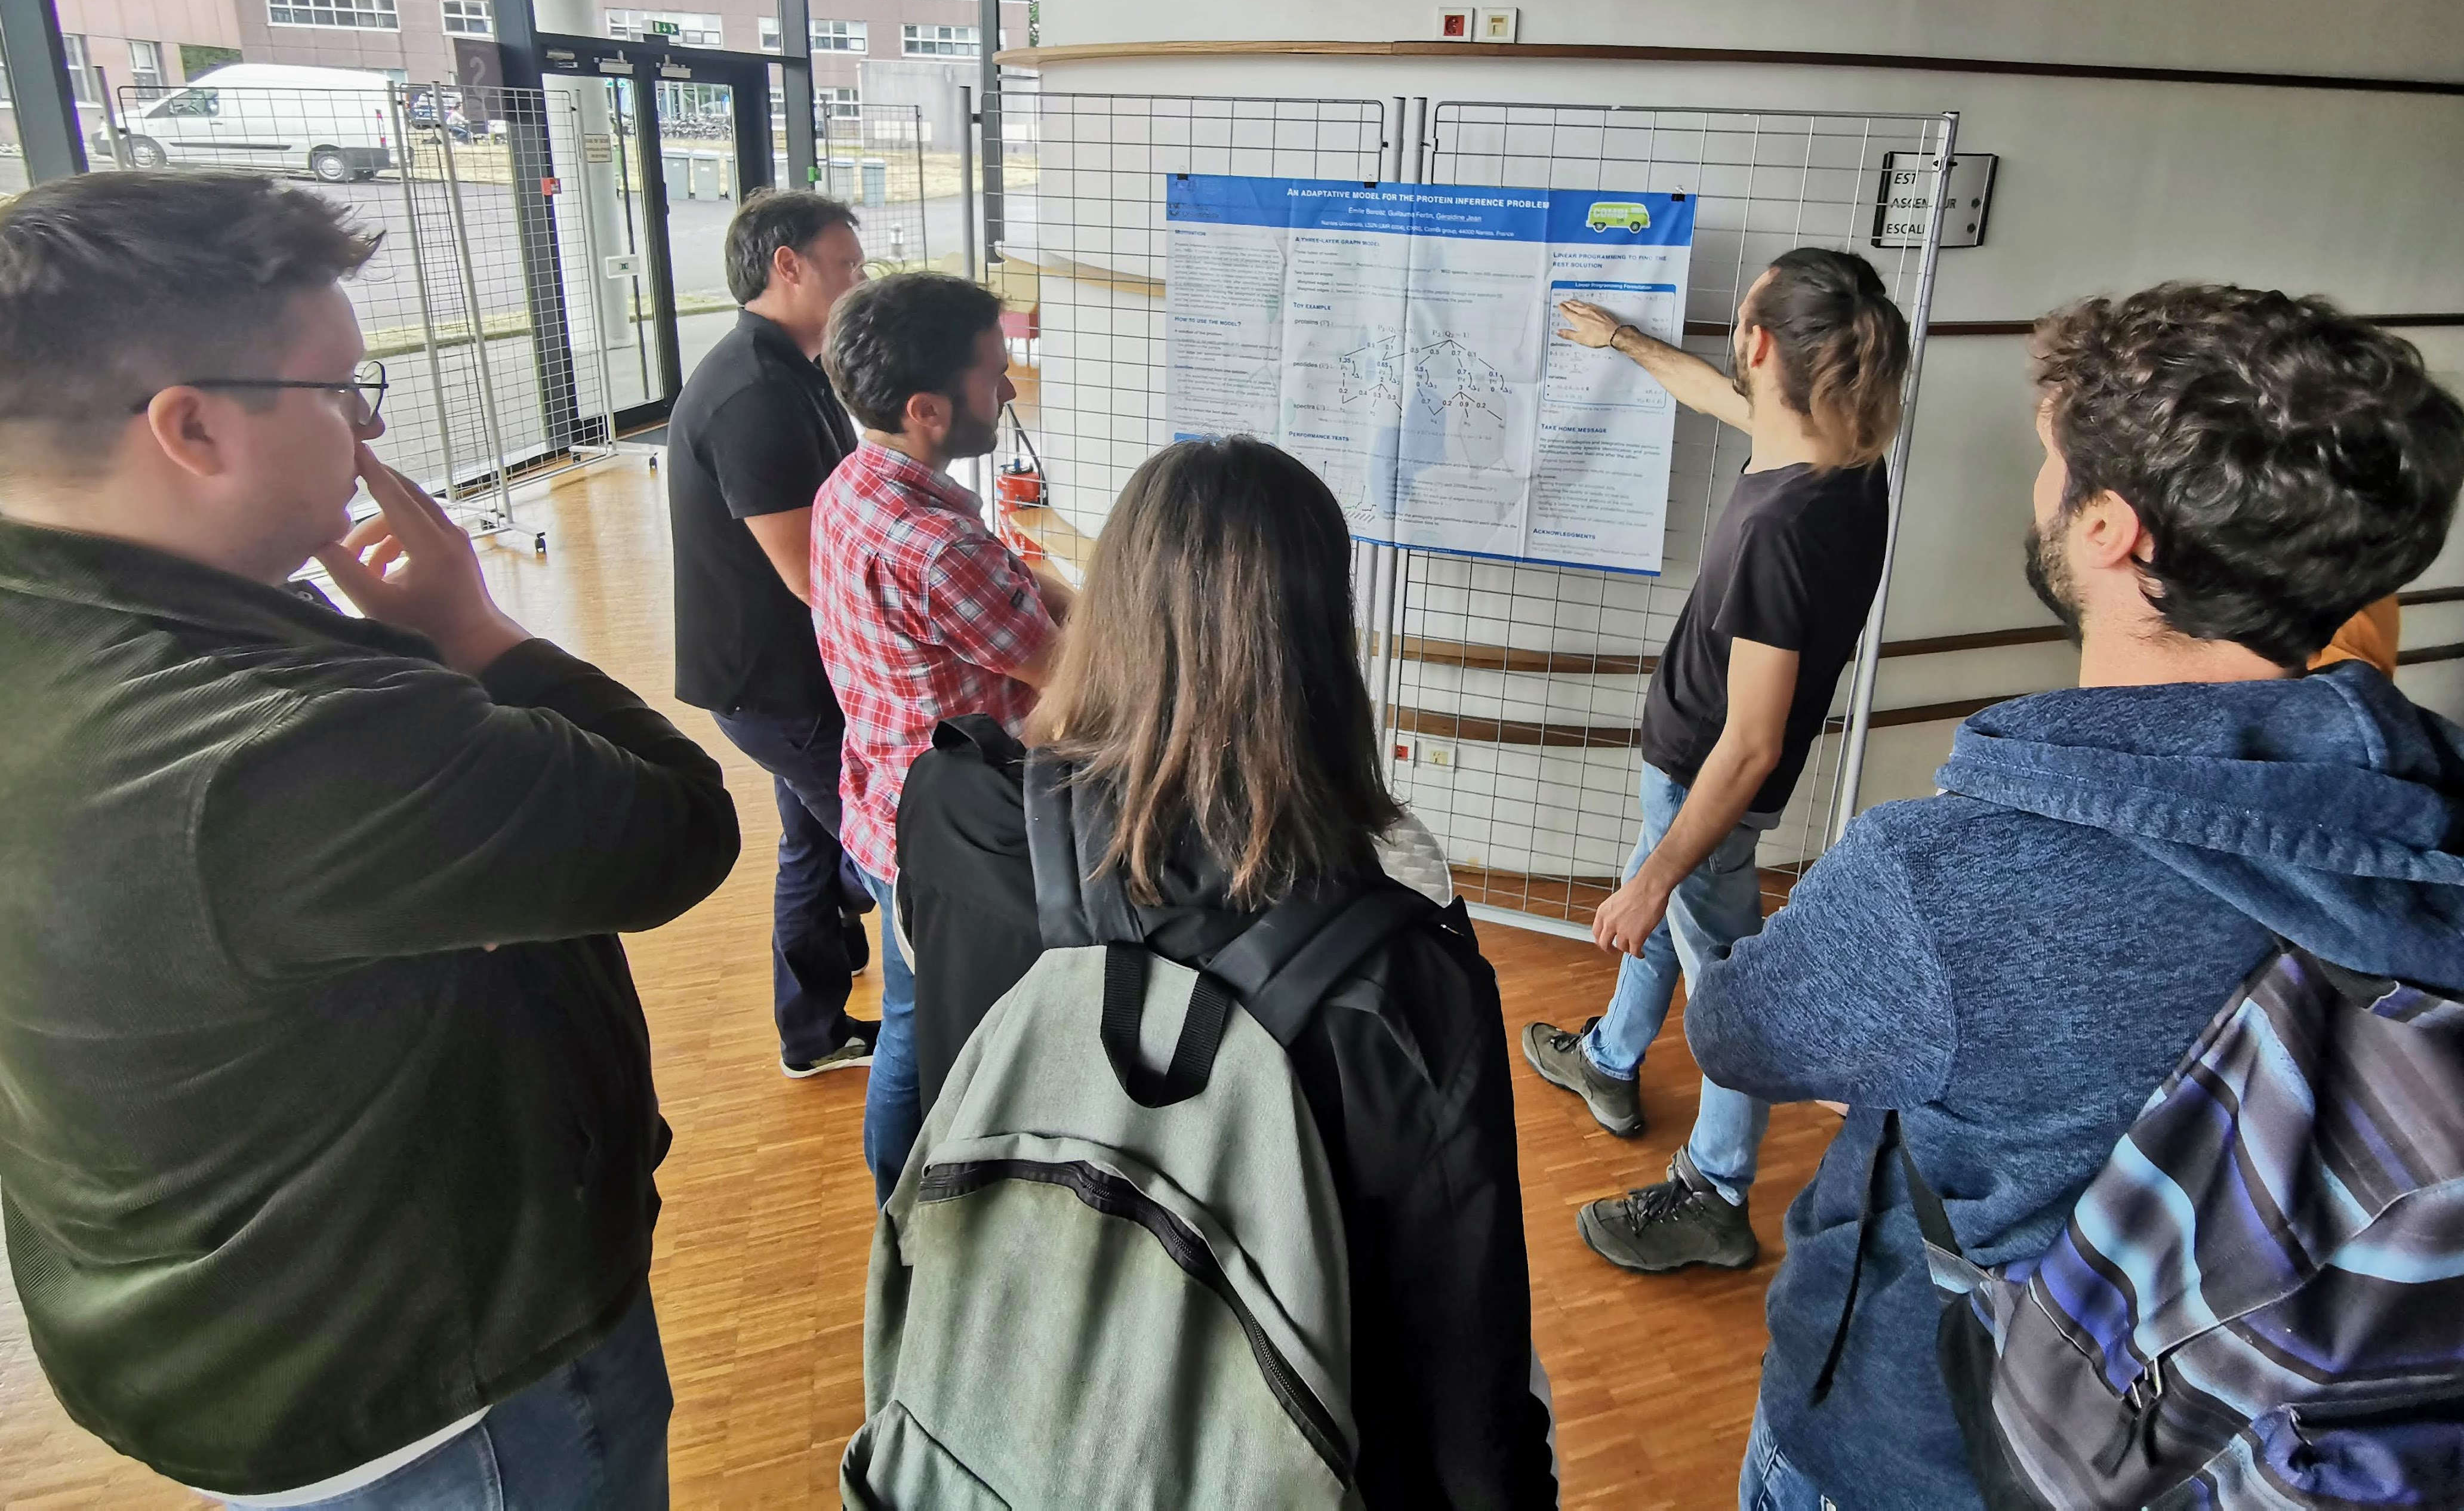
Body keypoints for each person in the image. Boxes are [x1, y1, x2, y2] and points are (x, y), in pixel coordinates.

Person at [0, 171, 741, 1506]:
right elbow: (679, 825)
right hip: (434, 1383)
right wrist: (473, 630)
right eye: (340, 387)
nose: (370, 424)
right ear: (192, 426)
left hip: (198, 1317)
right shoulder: (298, 743)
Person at [1683, 282, 2464, 1510]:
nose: (2038, 485)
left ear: (2110, 529)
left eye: (2051, 461)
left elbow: (1735, 1033)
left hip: (1926, 1449)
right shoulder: (2436, 807)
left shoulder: (1938, 877)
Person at [896, 436, 1559, 1508]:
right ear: (1321, 647)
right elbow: (1464, 1370)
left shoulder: (955, 811)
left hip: (1004, 1404)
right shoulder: (1406, 981)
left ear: (1109, 607)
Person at [1521, 248, 1909, 1274]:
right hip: (1692, 776)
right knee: (1677, 923)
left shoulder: (1785, 524)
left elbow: (1752, 741)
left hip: (1710, 779)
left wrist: (1655, 874)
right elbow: (1712, 395)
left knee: (1729, 985)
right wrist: (1623, 340)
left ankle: (1717, 1191)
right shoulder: (1839, 451)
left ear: (1762, 343)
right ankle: (1611, 1059)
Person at [810, 272, 1071, 1201]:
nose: (1008, 389)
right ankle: (908, 1204)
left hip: (886, 801)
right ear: (927, 408)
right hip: (949, 834)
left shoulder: (855, 486)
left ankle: (905, 1197)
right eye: (993, 374)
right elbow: (1061, 671)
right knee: (927, 1029)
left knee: (912, 1011)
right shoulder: (938, 549)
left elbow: (1020, 593)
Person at [669, 189, 875, 1078]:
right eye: (847, 266)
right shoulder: (753, 391)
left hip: (789, 676)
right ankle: (861, 1008)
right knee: (890, 856)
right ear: (787, 266)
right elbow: (809, 574)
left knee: (813, 844)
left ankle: (813, 1026)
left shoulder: (792, 366)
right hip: (776, 685)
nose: (860, 282)